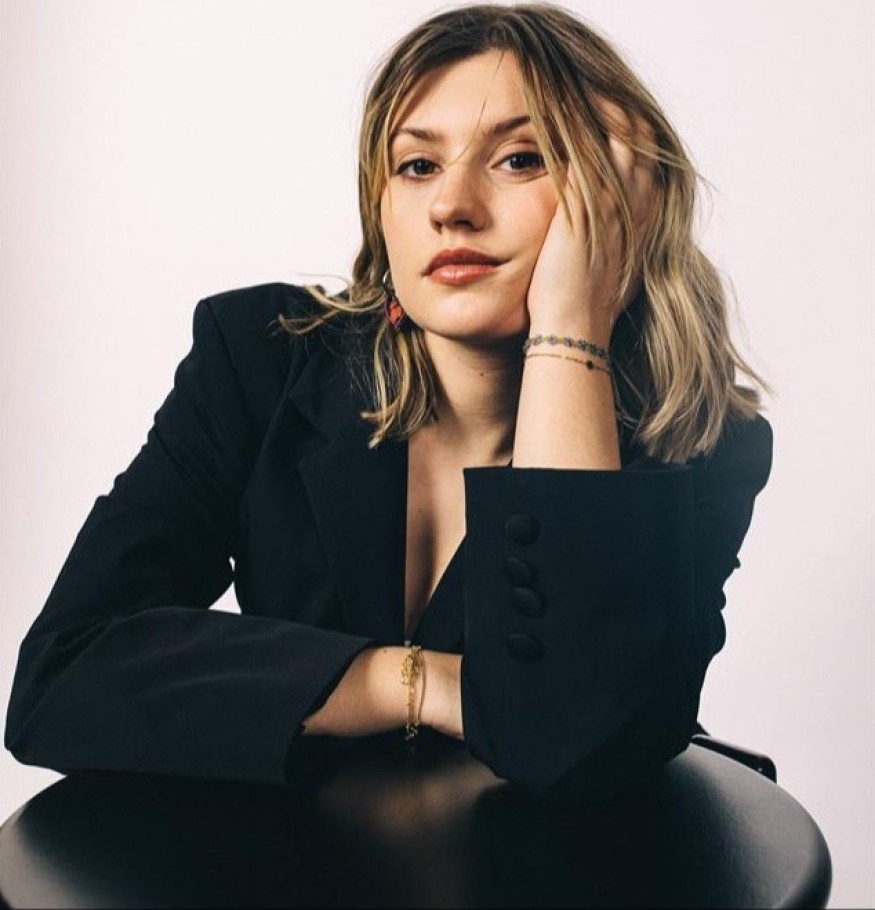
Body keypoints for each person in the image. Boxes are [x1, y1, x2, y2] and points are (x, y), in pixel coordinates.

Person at [5, 3, 772, 800]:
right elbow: (61, 677)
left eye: (520, 159)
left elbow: (569, 738)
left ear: (621, 206)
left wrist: (571, 327)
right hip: (281, 855)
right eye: (417, 166)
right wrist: (409, 682)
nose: (451, 206)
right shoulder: (258, 363)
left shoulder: (705, 447)